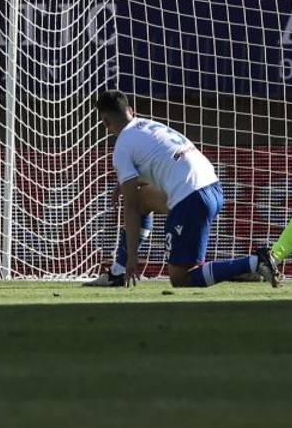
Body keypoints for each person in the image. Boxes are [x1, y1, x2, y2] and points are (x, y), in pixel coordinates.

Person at [86, 90, 279, 288]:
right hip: (213, 187)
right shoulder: (150, 126)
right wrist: (124, 183)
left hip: (192, 198)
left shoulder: (122, 147)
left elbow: (130, 207)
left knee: (181, 278)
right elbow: (162, 163)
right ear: (131, 110)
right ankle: (117, 273)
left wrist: (132, 258)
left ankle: (255, 262)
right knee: (143, 199)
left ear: (106, 122)